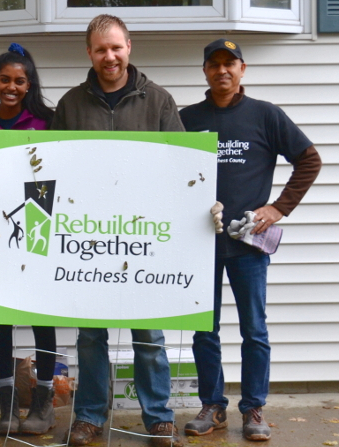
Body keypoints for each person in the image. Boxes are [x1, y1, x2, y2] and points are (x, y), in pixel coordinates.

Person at [50, 14, 184, 447]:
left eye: (116, 47)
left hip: (144, 237)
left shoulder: (159, 102)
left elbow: (181, 167)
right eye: (100, 49)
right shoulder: (71, 105)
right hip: (88, 237)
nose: (110, 56)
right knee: (90, 335)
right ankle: (89, 417)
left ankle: (158, 416)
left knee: (148, 334)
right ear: (89, 53)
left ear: (130, 46)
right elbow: (53, 170)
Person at [179, 39, 321, 442]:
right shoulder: (186, 118)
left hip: (248, 244)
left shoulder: (265, 115)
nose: (222, 70)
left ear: (242, 69)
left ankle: (254, 408)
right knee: (203, 330)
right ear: (204, 71)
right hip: (198, 244)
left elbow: (309, 160)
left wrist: (278, 208)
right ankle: (212, 407)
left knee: (253, 330)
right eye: (214, 64)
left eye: (230, 63)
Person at [0, 43, 57, 436]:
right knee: (1, 321)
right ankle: (5, 403)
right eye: (4, 79)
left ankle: (43, 400)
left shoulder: (47, 124)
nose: (11, 86)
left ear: (28, 84)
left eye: (19, 81)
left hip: (37, 230)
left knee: (42, 318)